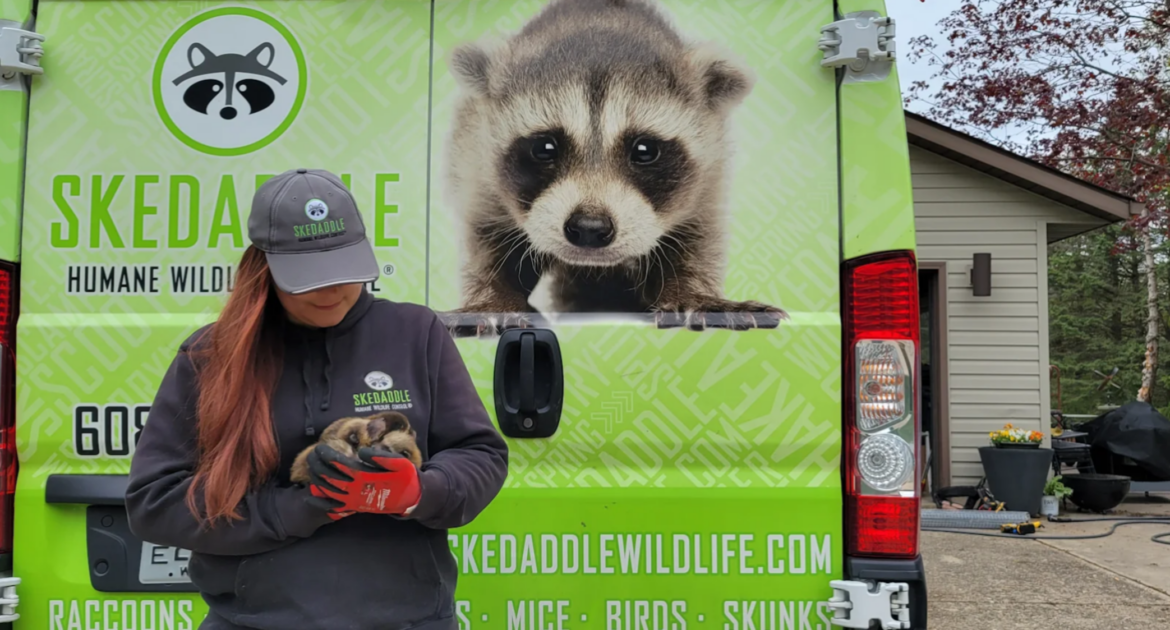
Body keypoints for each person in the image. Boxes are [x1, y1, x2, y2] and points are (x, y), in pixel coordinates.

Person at [125, 168, 509, 630]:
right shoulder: (212, 356)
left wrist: (417, 492)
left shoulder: (415, 333)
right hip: (253, 622)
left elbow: (481, 454)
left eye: (344, 271)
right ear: (264, 267)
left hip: (409, 620)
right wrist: (301, 506)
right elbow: (155, 502)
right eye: (308, 278)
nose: (332, 291)